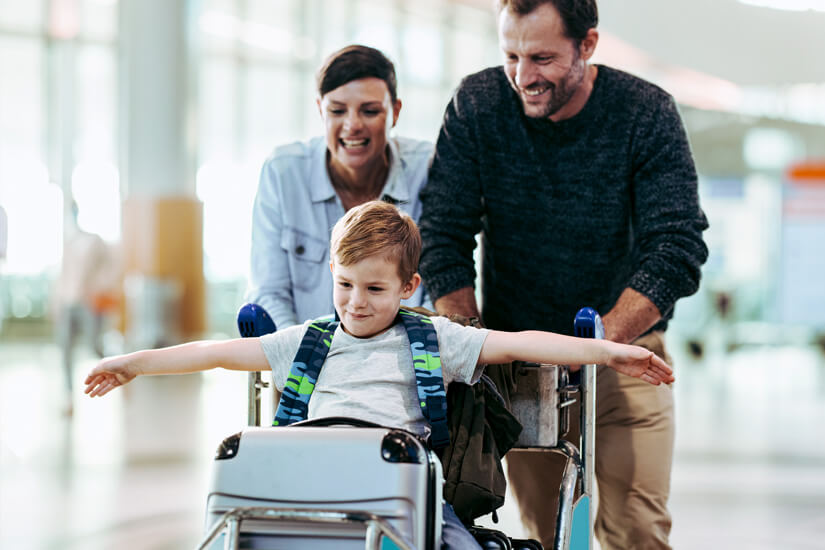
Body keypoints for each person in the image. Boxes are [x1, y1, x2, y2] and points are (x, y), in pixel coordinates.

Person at [85, 201, 675, 550]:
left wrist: (611, 353)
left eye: (374, 289)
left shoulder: (433, 338)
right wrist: (130, 363)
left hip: (406, 490)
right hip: (310, 490)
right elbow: (214, 353)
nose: (355, 303)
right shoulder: (308, 340)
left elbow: (518, 343)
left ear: (408, 287)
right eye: (344, 284)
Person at [417, 1, 709, 549]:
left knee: (638, 531)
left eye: (543, 57)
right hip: (520, 368)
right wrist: (473, 342)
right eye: (511, 55)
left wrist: (601, 344)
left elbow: (676, 243)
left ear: (588, 45)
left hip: (626, 359)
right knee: (543, 535)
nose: (524, 76)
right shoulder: (478, 105)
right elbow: (442, 233)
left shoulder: (645, 112)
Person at [245, 44, 432, 330]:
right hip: (305, 363)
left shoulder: (428, 170)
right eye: (337, 110)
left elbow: (438, 291)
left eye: (369, 111)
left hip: (399, 364)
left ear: (395, 112)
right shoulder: (283, 172)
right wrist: (307, 355)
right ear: (321, 110)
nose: (352, 125)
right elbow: (269, 292)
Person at [53, 201, 120, 414]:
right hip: (67, 302)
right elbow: (63, 275)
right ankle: (69, 398)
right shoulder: (69, 243)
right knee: (65, 351)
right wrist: (55, 303)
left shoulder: (96, 241)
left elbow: (111, 269)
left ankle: (120, 368)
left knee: (94, 346)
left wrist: (99, 290)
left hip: (88, 303)